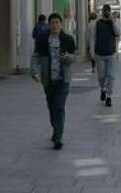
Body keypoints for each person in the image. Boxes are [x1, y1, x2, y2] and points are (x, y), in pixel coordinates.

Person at [31, 12, 77, 150]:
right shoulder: (42, 39)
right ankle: (56, 128)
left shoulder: (68, 39)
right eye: (52, 23)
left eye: (57, 22)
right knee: (51, 107)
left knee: (59, 106)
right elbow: (35, 56)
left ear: (61, 24)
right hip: (48, 79)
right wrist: (34, 71)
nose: (55, 25)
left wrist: (68, 57)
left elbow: (74, 58)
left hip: (63, 79)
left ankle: (58, 136)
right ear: (48, 25)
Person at [92, 4, 120, 106]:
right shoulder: (97, 23)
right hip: (99, 53)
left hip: (111, 53)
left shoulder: (113, 22)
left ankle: (109, 96)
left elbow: (118, 33)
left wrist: (112, 21)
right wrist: (92, 52)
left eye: (108, 11)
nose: (107, 12)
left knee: (111, 76)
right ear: (102, 11)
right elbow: (93, 38)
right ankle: (103, 89)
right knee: (101, 76)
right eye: (105, 10)